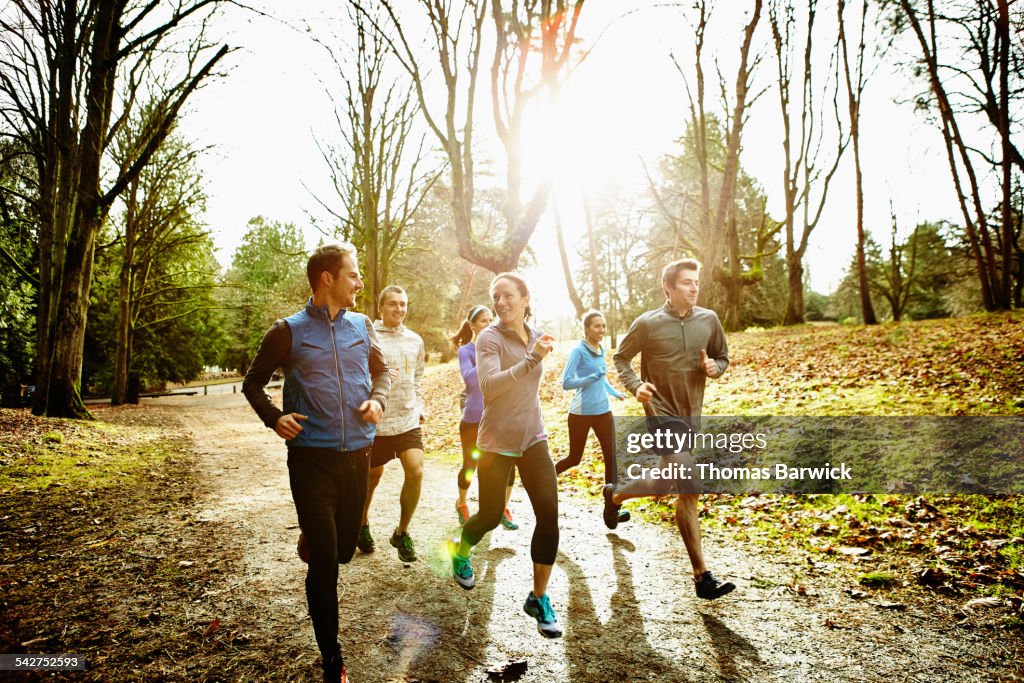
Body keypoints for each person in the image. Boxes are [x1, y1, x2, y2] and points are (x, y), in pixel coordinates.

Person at [242, 243, 390, 682]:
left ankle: (317, 534)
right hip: (311, 460)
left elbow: (382, 373)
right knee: (325, 561)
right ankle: (332, 657)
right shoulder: (287, 331)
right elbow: (252, 384)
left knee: (343, 550)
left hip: (358, 454)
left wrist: (378, 400)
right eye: (353, 275)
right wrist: (275, 418)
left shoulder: (363, 326)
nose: (360, 283)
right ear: (328, 278)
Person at [609, 258, 736, 601]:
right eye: (686, 282)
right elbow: (621, 358)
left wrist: (715, 367)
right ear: (668, 286)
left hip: (692, 414)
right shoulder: (648, 323)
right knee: (689, 487)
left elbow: (723, 357)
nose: (694, 287)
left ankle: (616, 495)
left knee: (664, 483)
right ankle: (702, 577)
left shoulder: (708, 320)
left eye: (696, 282)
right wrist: (636, 386)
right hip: (661, 413)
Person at [447, 273, 563, 638]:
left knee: (549, 514)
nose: (500, 302)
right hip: (496, 442)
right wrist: (531, 360)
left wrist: (536, 355)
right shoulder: (488, 337)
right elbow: (490, 386)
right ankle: (462, 550)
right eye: (495, 296)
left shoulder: (536, 334)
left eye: (508, 295)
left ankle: (539, 597)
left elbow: (531, 383)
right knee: (491, 515)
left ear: (525, 298)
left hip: (533, 437)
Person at [359, 286, 426, 562]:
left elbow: (419, 377)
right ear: (381, 308)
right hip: (377, 423)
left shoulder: (415, 340)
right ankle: (361, 524)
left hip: (408, 419)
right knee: (371, 478)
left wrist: (419, 405)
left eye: (403, 304)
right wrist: (379, 378)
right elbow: (356, 376)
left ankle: (402, 532)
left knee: (416, 470)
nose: (399, 309)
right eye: (393, 304)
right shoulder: (368, 337)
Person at [555, 310, 630, 524]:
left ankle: (612, 512)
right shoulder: (578, 351)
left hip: (603, 411)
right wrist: (590, 378)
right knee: (574, 458)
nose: (601, 330)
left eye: (604, 326)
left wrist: (614, 392)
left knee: (612, 459)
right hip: (581, 414)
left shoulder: (601, 348)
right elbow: (567, 382)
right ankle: (545, 480)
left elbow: (601, 378)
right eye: (597, 326)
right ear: (586, 329)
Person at [451, 305, 518, 531]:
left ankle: (503, 509)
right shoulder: (466, 352)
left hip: (499, 417)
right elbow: (471, 381)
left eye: (491, 320)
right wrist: (484, 353)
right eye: (482, 321)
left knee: (508, 466)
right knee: (471, 465)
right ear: (472, 325)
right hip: (473, 419)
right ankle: (461, 503)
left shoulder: (500, 348)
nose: (488, 324)